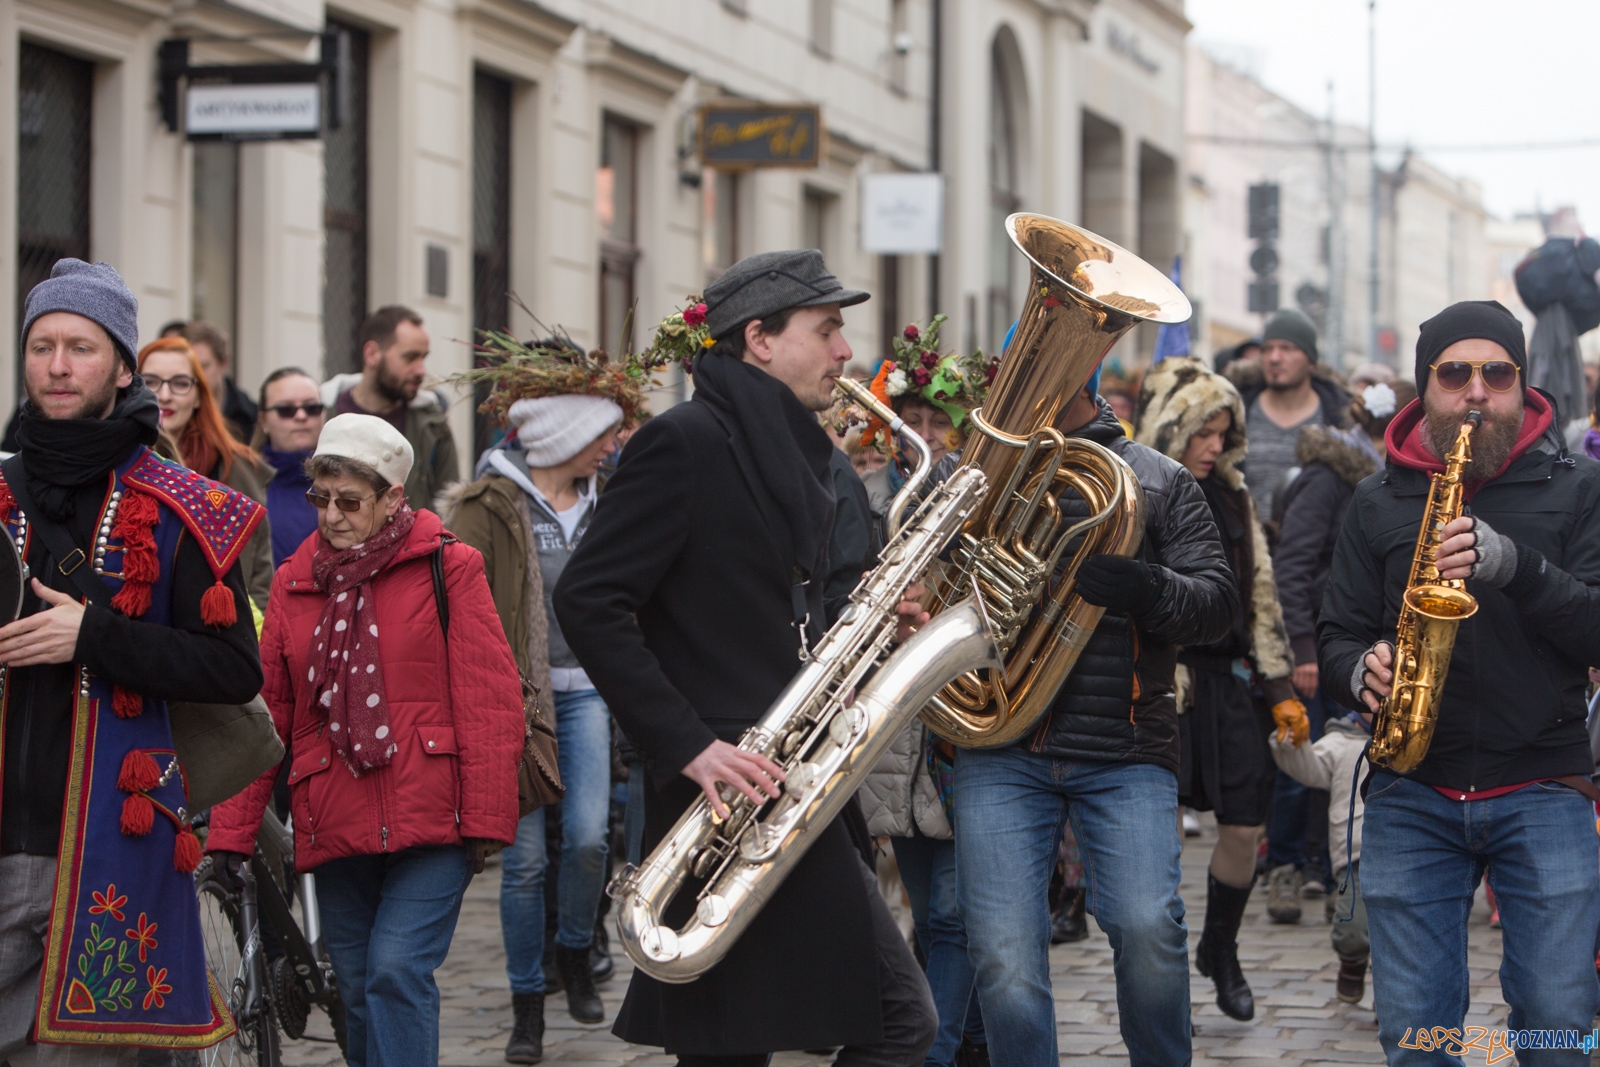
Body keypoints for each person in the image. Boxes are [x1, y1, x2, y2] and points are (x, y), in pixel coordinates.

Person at [554, 249, 938, 1065]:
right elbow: (589, 600)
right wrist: (687, 742)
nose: (845, 351)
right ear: (759, 339)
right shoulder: (683, 441)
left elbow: (770, 610)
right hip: (725, 795)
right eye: (826, 330)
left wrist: (874, 630)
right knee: (877, 1024)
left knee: (774, 1038)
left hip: (789, 780)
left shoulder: (795, 450)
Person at [1320, 299, 1600, 1065]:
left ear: (1522, 384)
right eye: (1454, 373)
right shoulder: (1377, 498)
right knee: (1418, 1036)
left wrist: (1517, 567)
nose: (1477, 391)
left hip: (1544, 784)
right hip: (1412, 788)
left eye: (1497, 373)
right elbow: (1337, 630)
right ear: (1425, 388)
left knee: (1558, 1023)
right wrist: (1360, 669)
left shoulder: (1580, 488)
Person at [0, 259, 263, 1057]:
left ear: (122, 367)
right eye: (41, 345)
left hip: (108, 850)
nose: (56, 365)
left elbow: (232, 670)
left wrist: (95, 637)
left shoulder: (185, 509)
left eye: (79, 347)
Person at [206, 413, 525, 1067]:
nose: (331, 516)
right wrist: (230, 835)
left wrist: (486, 820)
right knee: (353, 988)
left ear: (392, 498)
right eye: (319, 498)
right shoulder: (295, 583)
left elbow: (489, 700)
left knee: (396, 969)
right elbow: (265, 716)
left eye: (349, 501)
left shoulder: (449, 566)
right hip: (336, 815)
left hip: (435, 816)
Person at [952, 363, 1238, 1067]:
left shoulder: (1160, 478)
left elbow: (1217, 608)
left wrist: (1148, 587)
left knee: (1148, 928)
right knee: (1002, 951)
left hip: (1126, 743)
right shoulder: (978, 472)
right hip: (1001, 742)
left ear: (1085, 380)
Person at [439, 364, 627, 1058]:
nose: (611, 447)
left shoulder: (609, 502)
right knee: (521, 864)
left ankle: (574, 946)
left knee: (587, 837)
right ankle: (527, 1005)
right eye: (601, 435)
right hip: (512, 702)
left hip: (588, 692)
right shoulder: (489, 504)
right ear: (567, 436)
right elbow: (455, 600)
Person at [1133, 357, 1306, 1022]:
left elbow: (1261, 594)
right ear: (1171, 428)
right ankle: (1163, 972)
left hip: (1231, 684)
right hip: (1166, 683)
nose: (1213, 445)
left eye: (1222, 432)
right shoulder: (1140, 492)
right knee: (1162, 837)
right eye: (1202, 431)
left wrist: (1280, 684)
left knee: (1243, 825)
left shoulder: (1236, 495)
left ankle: (1220, 948)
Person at [137, 337, 274, 610]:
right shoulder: (116, 463)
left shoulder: (237, 469)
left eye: (180, 383)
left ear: (199, 395)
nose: (165, 395)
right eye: (151, 382)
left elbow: (260, 586)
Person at [1268, 707, 1371, 1004]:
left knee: (1403, 933)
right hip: (1355, 854)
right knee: (1351, 928)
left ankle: (1394, 999)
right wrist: (1291, 744)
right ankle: (1352, 960)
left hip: (1407, 851)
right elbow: (1310, 769)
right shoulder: (1342, 740)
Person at [321, 305, 460, 509]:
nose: (421, 370)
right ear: (372, 354)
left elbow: (450, 513)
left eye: (423, 358)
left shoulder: (433, 427)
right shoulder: (321, 417)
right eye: (410, 357)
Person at [1229, 308, 1351, 517]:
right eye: (1267, 349)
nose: (1274, 358)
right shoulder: (1236, 410)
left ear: (1310, 361)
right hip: (1246, 535)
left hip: (1315, 536)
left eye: (1287, 348)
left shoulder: (1340, 416)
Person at [255, 367, 326, 567]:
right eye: (286, 410)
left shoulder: (351, 480)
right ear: (263, 419)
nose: (301, 416)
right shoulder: (243, 483)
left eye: (312, 408)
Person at [182, 320, 258, 443]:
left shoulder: (249, 416)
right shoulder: (170, 412)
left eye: (203, 366)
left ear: (223, 364)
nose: (196, 375)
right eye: (189, 367)